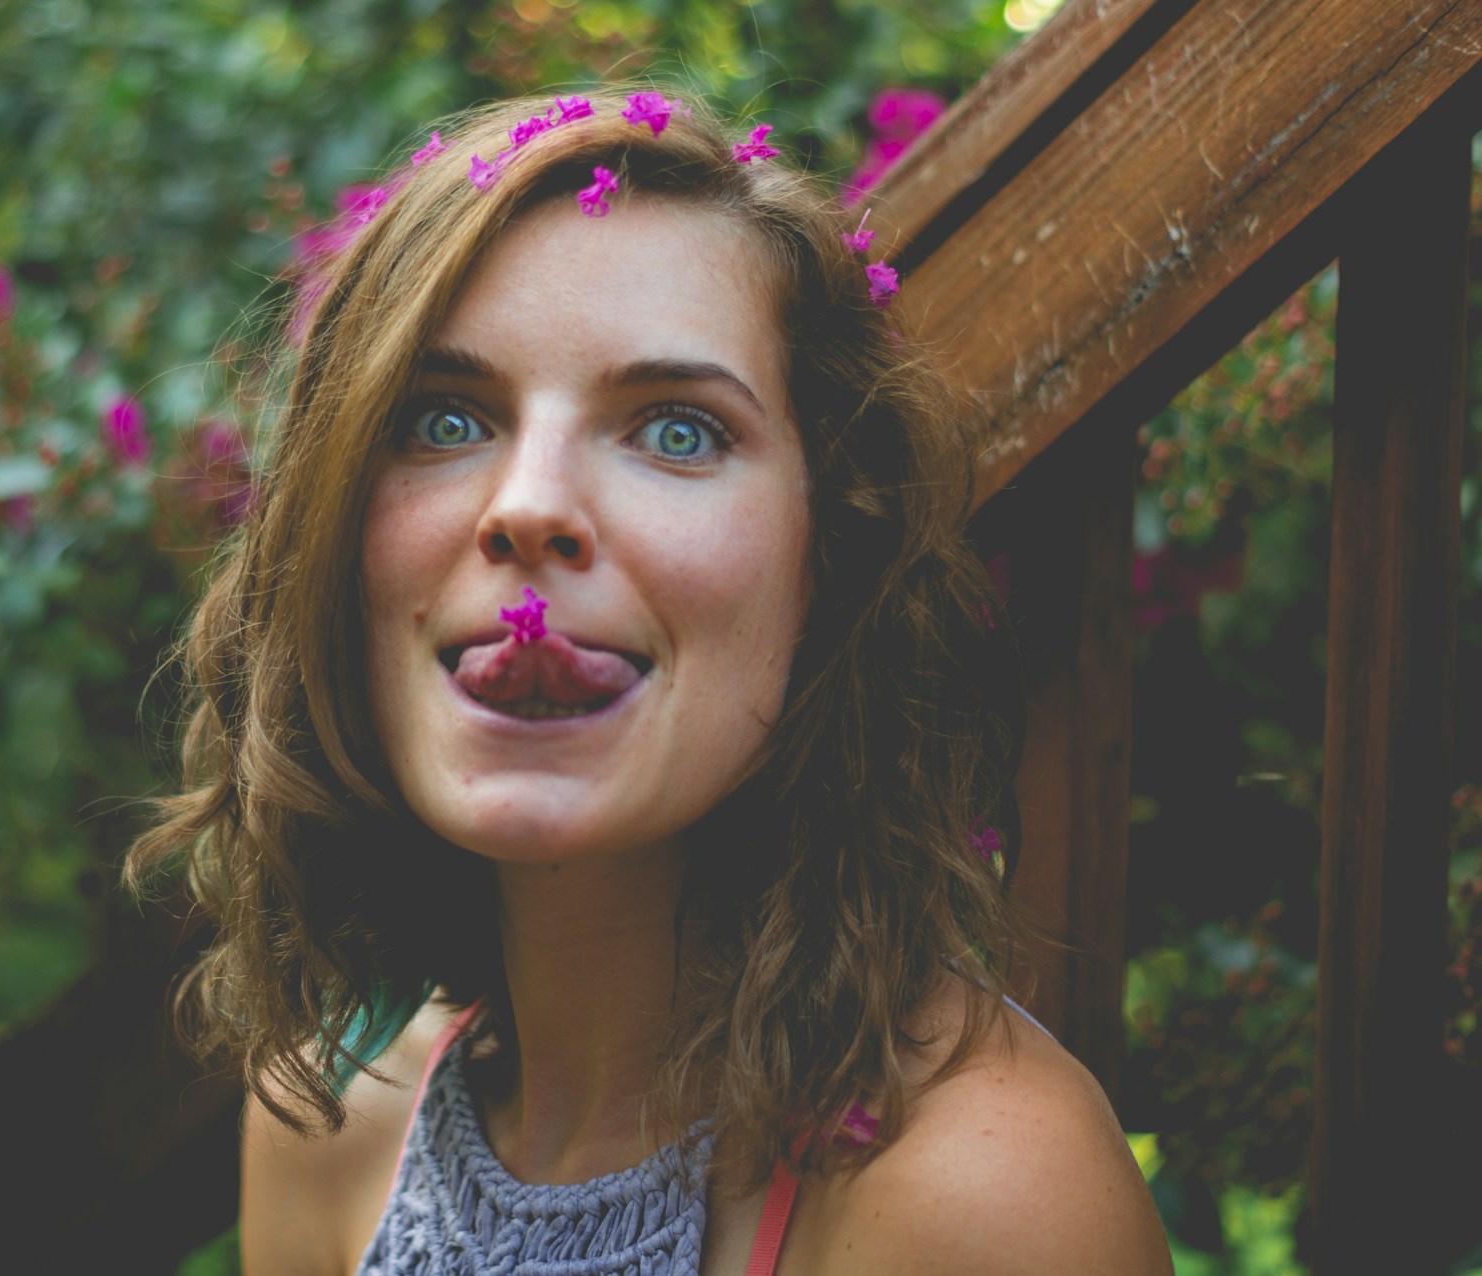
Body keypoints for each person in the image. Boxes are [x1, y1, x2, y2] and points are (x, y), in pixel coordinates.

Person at [125, 89, 1173, 1275]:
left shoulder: (980, 1197)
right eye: (445, 418)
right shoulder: (328, 1126)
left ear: (829, 561)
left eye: (676, 430)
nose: (526, 506)